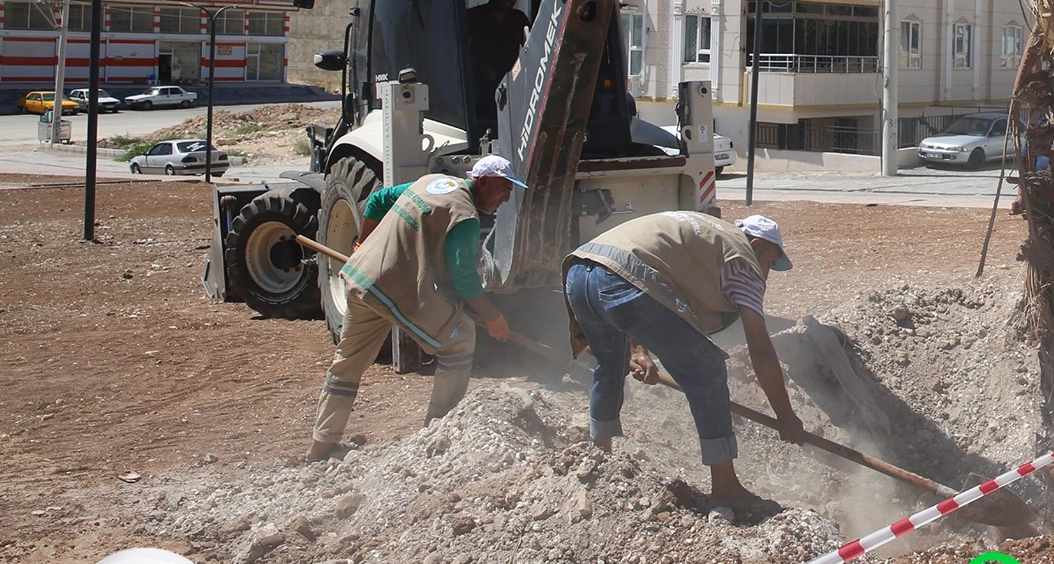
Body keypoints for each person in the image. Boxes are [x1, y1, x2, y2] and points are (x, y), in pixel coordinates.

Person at [563, 210, 806, 517]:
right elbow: (761, 349)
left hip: (581, 269)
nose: (766, 274)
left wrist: (638, 350)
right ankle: (726, 487)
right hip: (622, 279)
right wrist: (786, 416)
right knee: (707, 368)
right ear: (756, 245)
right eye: (770, 262)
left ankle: (599, 463)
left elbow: (649, 272)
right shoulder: (743, 262)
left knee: (610, 364)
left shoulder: (706, 238)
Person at [308, 155, 523, 461]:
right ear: (484, 182)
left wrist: (364, 246)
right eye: (504, 188)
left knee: (347, 362)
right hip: (395, 292)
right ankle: (437, 433)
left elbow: (378, 200)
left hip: (361, 279)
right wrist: (493, 316)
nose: (506, 198)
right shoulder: (465, 216)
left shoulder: (431, 183)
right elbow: (463, 277)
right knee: (461, 338)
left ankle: (322, 444)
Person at [468, 0, 532, 108]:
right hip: (478, 86)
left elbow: (531, 48)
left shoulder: (519, 19)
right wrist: (482, 67)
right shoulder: (473, 17)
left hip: (511, 85)